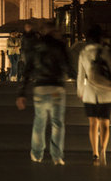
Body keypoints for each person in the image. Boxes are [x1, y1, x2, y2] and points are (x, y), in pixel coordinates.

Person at [16, 22, 75, 165]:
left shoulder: (35, 47)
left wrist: (22, 93)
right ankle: (57, 156)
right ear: (54, 31)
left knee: (39, 122)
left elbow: (27, 69)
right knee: (58, 123)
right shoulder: (60, 45)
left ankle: (36, 154)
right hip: (56, 88)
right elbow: (68, 67)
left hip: (40, 87)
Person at [77, 24, 111, 166]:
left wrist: (80, 91)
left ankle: (94, 153)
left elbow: (80, 75)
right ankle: (103, 151)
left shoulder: (83, 53)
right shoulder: (107, 52)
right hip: (106, 93)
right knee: (105, 123)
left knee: (92, 124)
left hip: (90, 92)